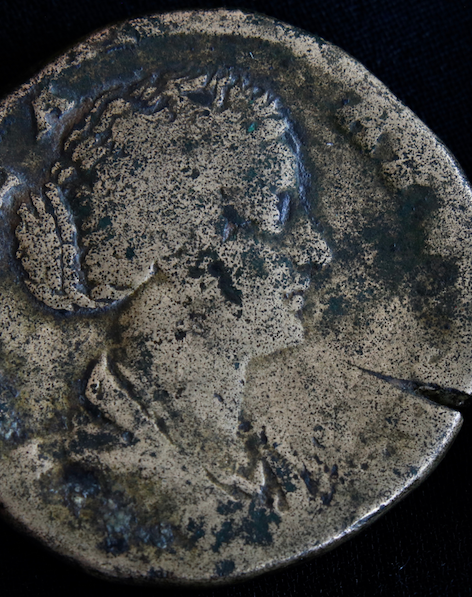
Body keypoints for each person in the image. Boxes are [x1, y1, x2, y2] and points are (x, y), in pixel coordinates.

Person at [16, 69, 331, 498]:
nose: (317, 251)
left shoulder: (266, 468)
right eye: (279, 210)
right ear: (185, 243)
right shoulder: (93, 469)